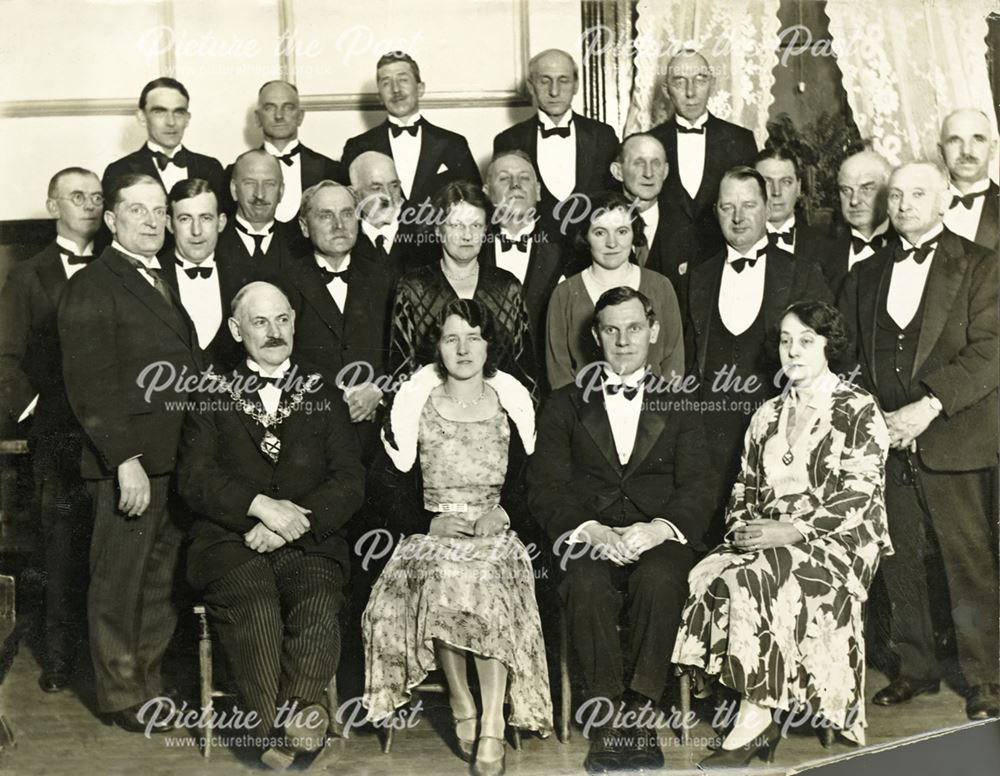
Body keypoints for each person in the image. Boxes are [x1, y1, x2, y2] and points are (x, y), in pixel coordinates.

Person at [673, 301, 892, 768]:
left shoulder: (857, 408)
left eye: (806, 341)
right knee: (711, 573)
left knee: (762, 574)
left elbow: (860, 495)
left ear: (829, 347)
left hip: (838, 541)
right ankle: (758, 712)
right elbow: (742, 487)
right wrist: (743, 530)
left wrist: (790, 530)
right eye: (786, 340)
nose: (793, 351)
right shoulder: (767, 414)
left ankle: (754, 721)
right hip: (770, 535)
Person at [177, 281, 364, 769]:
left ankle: (286, 731)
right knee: (256, 606)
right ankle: (279, 732)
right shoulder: (211, 392)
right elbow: (194, 479)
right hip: (229, 541)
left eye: (282, 319)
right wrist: (259, 506)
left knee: (318, 601)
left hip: (308, 540)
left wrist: (290, 524)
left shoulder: (323, 390)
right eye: (260, 322)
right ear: (237, 331)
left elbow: (350, 479)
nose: (274, 331)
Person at [529, 287, 715, 772]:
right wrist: (588, 529)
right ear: (596, 336)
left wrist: (661, 528)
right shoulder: (564, 403)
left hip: (656, 536)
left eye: (634, 328)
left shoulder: (681, 403)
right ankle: (609, 719)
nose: (623, 340)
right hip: (590, 536)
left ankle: (641, 711)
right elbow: (546, 486)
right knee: (584, 582)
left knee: (660, 579)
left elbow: (699, 485)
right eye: (611, 329)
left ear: (653, 332)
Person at [363, 299, 552, 776]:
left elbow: (539, 482)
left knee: (487, 577)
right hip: (435, 530)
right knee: (440, 573)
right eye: (452, 338)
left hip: (496, 531)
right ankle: (460, 697)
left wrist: (505, 513)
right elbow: (384, 485)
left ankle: (491, 720)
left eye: (474, 337)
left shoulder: (510, 400)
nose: (463, 348)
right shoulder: (415, 403)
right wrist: (427, 522)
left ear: (490, 345)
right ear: (438, 347)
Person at [840, 161, 999, 720]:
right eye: (897, 195)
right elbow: (850, 359)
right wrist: (876, 419)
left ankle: (986, 679)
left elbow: (990, 351)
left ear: (943, 201)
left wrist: (926, 407)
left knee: (967, 560)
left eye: (918, 194)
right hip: (886, 440)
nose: (904, 203)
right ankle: (915, 668)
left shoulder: (980, 264)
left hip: (953, 437)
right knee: (899, 558)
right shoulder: (865, 274)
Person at [57, 173, 203, 732]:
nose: (150, 221)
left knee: (158, 582)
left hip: (170, 458)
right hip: (130, 464)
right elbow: (89, 383)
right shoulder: (95, 283)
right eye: (136, 211)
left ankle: (147, 684)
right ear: (111, 221)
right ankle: (121, 695)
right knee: (120, 581)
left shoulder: (156, 277)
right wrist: (124, 461)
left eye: (158, 211)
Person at [685, 166, 831, 540]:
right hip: (708, 437)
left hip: (778, 436)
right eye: (727, 206)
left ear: (768, 208)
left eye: (749, 205)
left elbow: (825, 360)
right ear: (715, 211)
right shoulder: (695, 279)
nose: (738, 217)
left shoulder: (803, 273)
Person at [0, 167, 101, 692]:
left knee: (108, 550)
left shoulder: (117, 265)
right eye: (76, 195)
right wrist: (42, 407)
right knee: (60, 550)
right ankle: (61, 662)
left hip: (111, 436)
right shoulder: (28, 274)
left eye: (96, 196)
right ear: (52, 204)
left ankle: (107, 665)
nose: (88, 204)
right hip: (57, 437)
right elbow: (6, 358)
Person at [282, 180, 396, 460]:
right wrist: (334, 397)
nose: (339, 224)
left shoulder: (386, 277)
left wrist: (377, 389)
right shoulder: (282, 281)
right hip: (312, 433)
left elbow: (404, 351)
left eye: (347, 214)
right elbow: (279, 356)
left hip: (379, 433)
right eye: (325, 215)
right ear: (305, 227)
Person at [388, 181, 536, 395]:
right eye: (456, 225)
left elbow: (526, 371)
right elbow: (401, 372)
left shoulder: (507, 286)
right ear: (438, 230)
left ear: (486, 230)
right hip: (433, 416)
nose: (467, 235)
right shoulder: (414, 288)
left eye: (475, 225)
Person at [545, 190, 683, 392]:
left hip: (653, 414)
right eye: (600, 232)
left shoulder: (660, 286)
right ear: (585, 236)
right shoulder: (564, 294)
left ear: (634, 233)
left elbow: (674, 362)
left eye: (622, 231)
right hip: (583, 416)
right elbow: (559, 372)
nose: (612, 243)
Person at [648, 49, 758, 271]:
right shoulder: (649, 143)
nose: (691, 92)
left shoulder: (740, 140)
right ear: (666, 89)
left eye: (700, 80)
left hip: (724, 266)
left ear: (712, 84)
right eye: (679, 82)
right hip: (665, 269)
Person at [493, 49, 617, 226]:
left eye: (563, 80)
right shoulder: (508, 140)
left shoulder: (603, 135)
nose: (554, 91)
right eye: (545, 81)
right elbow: (504, 206)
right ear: (531, 87)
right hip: (537, 247)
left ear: (576, 85)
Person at [341, 52, 480, 207]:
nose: (396, 90)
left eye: (403, 80)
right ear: (379, 96)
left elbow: (475, 203)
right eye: (386, 83)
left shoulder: (454, 143)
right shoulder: (357, 146)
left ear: (420, 88)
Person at [481, 150, 565, 388]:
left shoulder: (567, 249)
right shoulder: (471, 249)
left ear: (538, 190)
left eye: (524, 178)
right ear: (487, 192)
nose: (515, 184)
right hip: (485, 386)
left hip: (549, 388)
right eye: (504, 178)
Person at [227, 80, 346, 223]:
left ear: (300, 116)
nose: (279, 116)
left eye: (288, 107)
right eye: (270, 108)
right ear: (258, 118)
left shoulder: (331, 170)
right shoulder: (234, 172)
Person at [162, 178, 249, 369]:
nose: (196, 231)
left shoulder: (244, 277)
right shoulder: (151, 276)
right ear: (169, 224)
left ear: (221, 222)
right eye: (185, 219)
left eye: (206, 218)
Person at [102, 78, 224, 200]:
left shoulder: (210, 168)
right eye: (160, 112)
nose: (171, 122)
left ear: (187, 119)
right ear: (142, 117)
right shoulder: (119, 171)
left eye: (178, 112)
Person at [815, 150, 894, 298]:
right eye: (846, 190)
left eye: (866, 189)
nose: (854, 200)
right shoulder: (820, 252)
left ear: (889, 190)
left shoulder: (909, 246)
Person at [216, 149, 298, 281]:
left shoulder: (300, 245)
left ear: (281, 191)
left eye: (269, 184)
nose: (259, 194)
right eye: (250, 183)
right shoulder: (213, 243)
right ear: (233, 189)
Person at [348, 150, 430, 278]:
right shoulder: (344, 240)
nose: (387, 196)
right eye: (376, 188)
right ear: (354, 195)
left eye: (394, 186)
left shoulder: (426, 237)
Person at [610, 133, 679, 284]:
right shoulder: (599, 228)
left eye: (656, 163)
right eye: (639, 163)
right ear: (618, 172)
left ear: (666, 171)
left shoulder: (685, 229)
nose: (649, 173)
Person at [754, 146, 831, 259]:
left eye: (786, 182)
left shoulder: (826, 247)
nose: (776, 192)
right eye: (766, 182)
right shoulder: (737, 244)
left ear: (798, 187)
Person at [939, 108, 998, 250]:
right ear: (941, 151)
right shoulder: (919, 206)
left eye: (978, 139)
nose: (966, 151)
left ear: (992, 149)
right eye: (954, 140)